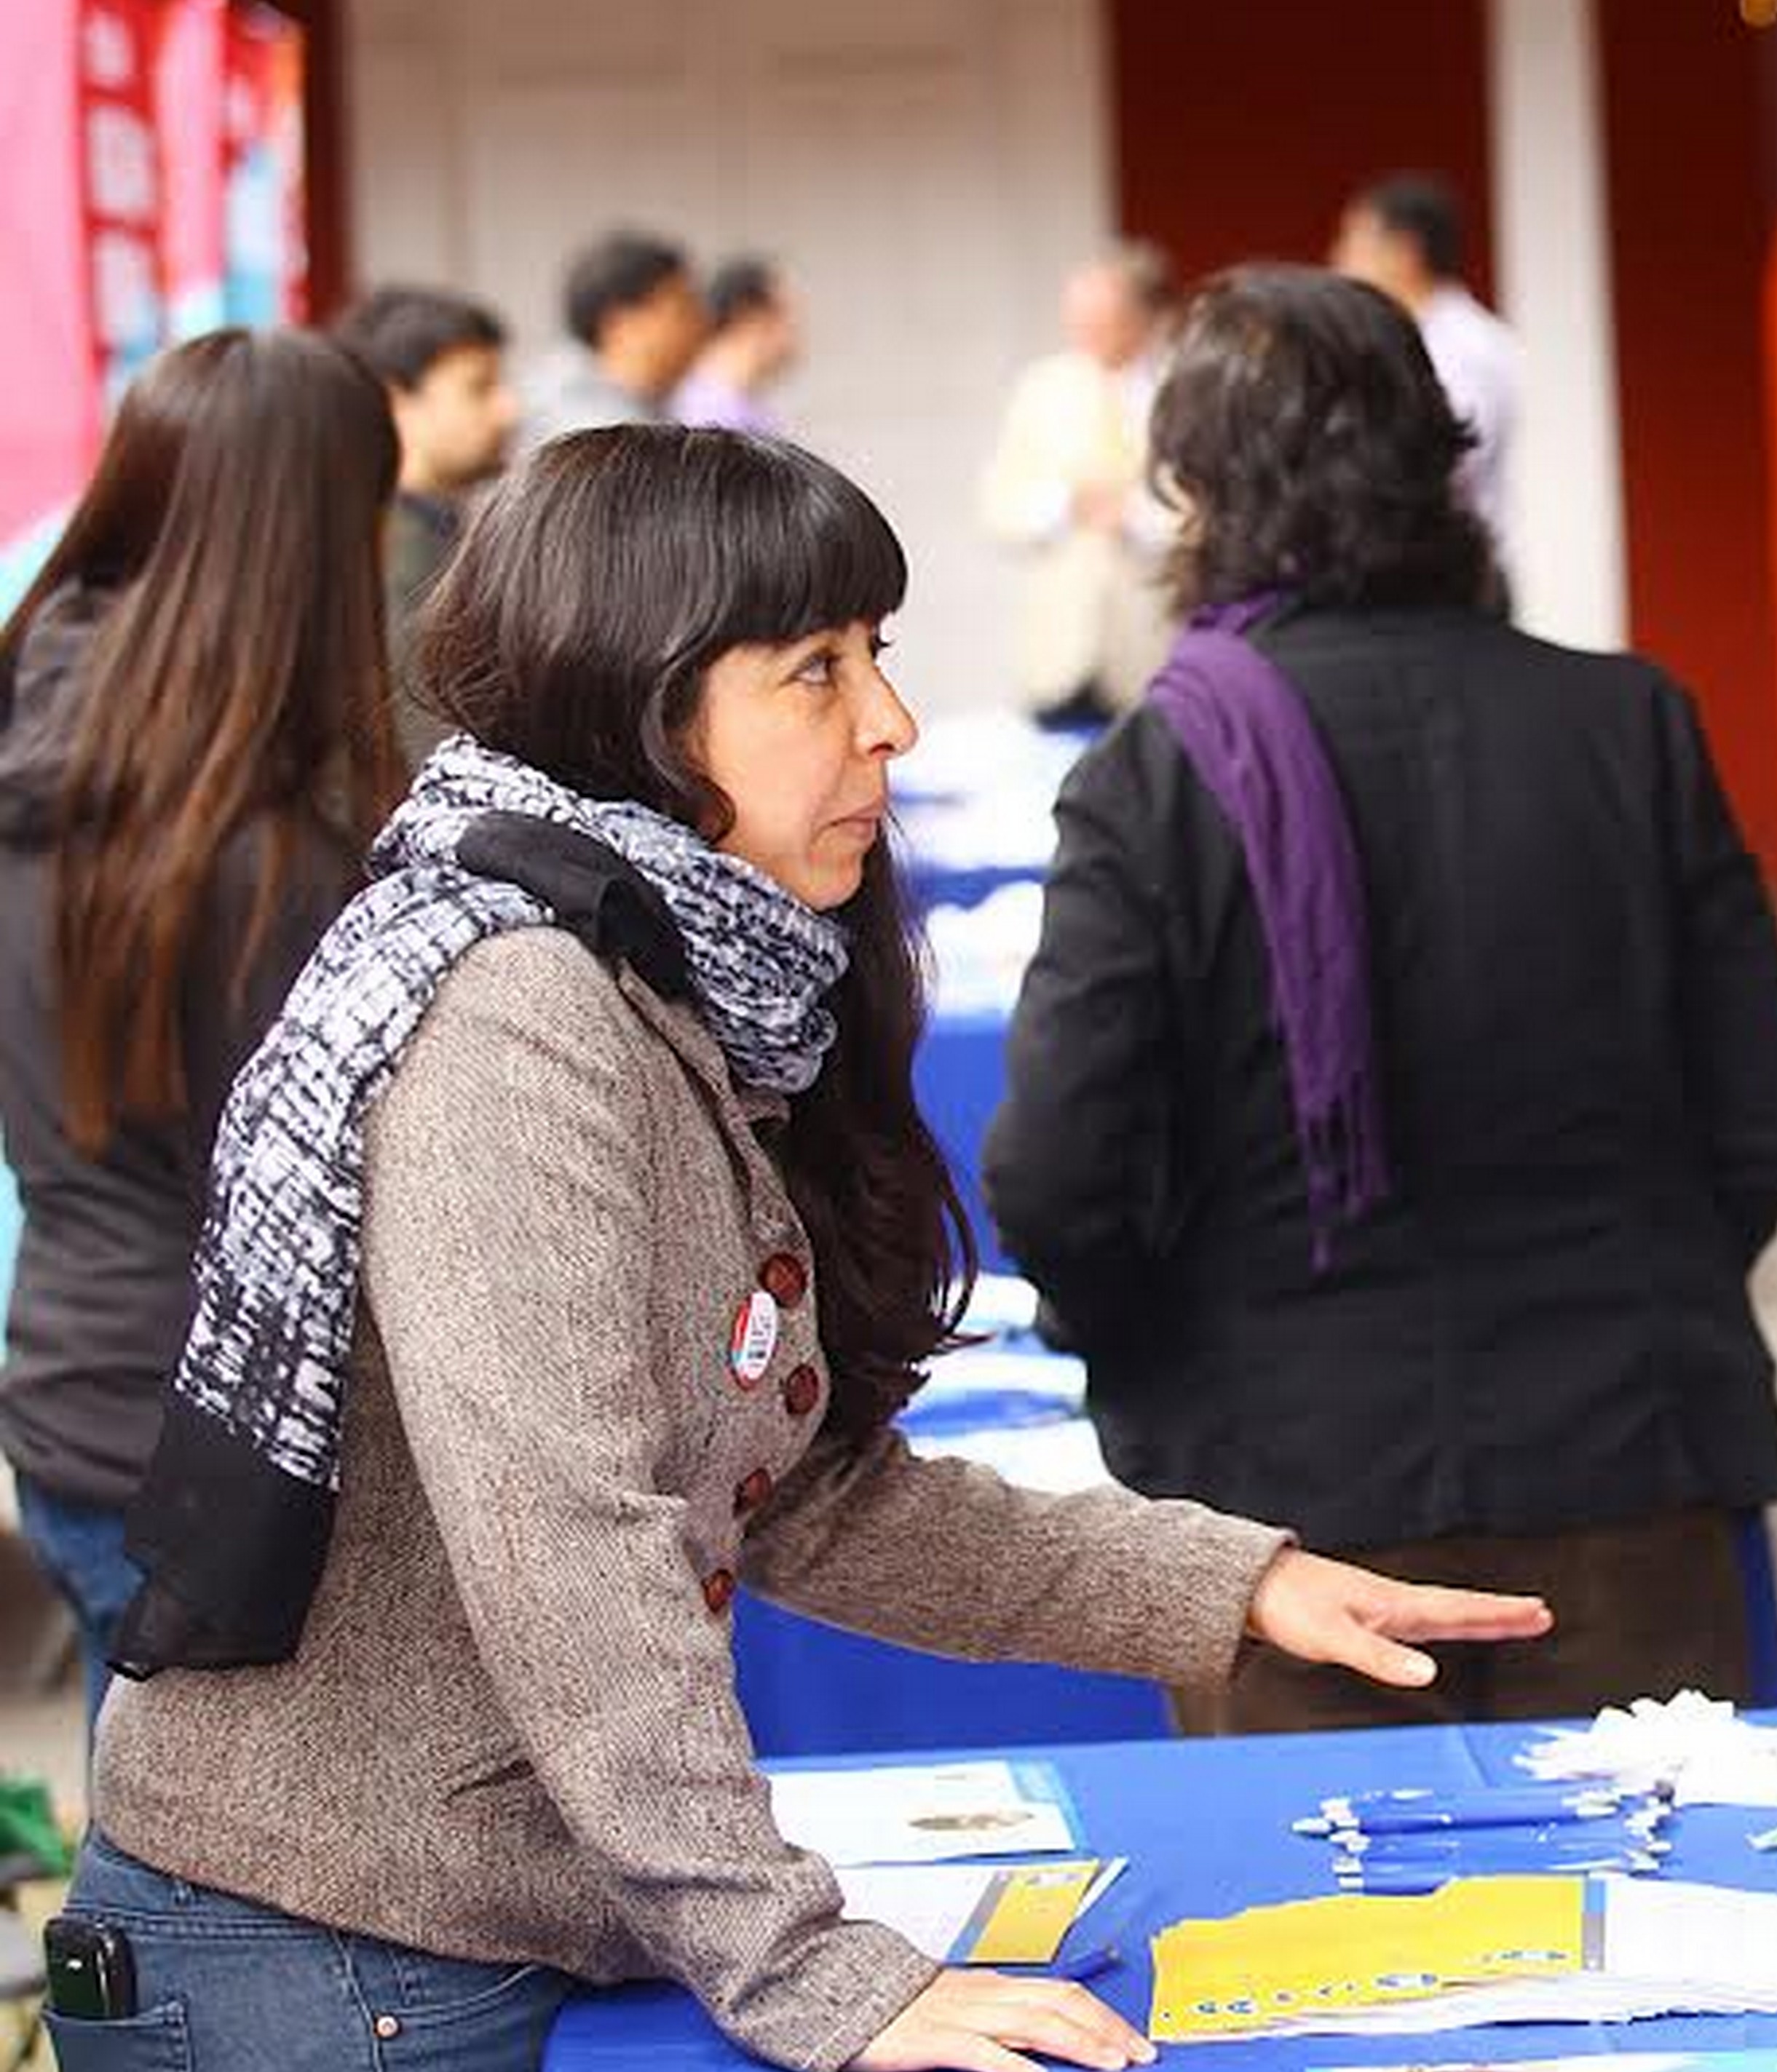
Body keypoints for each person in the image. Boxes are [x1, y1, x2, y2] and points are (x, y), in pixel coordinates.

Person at [58, 426, 1554, 2072]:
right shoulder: (516, 1007)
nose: (889, 724)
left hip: (450, 1928)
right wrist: (812, 1969)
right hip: (322, 1958)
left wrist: (1232, 1580)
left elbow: (813, 1493)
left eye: (878, 657)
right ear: (641, 701)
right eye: (815, 673)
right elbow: (574, 1548)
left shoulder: (662, 971)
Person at [984, 266, 1777, 1733]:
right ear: (1440, 466)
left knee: (1328, 1951)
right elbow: (1767, 1107)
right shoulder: (1624, 722)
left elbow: (1060, 1168)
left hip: (1285, 1514)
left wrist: (1166, 1353)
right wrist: (1638, 1284)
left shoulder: (1156, 772)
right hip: (1625, 1453)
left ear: (1194, 490)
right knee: (1671, 1937)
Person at [0, 330, 401, 1728]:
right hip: (222, 1446)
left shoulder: (40, 750)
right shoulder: (255, 852)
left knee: (146, 1872)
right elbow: (310, 1209)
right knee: (201, 1911)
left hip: (69, 1388)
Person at [978, 244, 1176, 726]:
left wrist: (1133, 516)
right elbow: (999, 507)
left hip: (1151, 651)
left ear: (1144, 317)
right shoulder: (1043, 388)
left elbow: (1209, 518)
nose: (1085, 332)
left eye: (1103, 318)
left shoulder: (1182, 391)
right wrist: (1067, 505)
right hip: (1060, 653)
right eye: (1079, 318)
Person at [334, 285, 520, 754]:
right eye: (479, 388)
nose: (507, 410)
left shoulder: (426, 528)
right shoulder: (395, 553)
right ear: (396, 401)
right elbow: (424, 739)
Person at [1329, 172, 1518, 552]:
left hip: (1461, 571)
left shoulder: (1466, 349)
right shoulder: (1408, 338)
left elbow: (1445, 464)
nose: (1338, 260)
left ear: (1404, 251)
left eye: (1353, 243)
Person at [520, 229, 700, 448]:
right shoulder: (598, 435)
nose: (701, 323)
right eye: (683, 310)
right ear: (620, 325)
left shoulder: (640, 410)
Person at [673, 254, 799, 436]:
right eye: (783, 314)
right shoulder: (710, 413)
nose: (793, 330)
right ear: (746, 314)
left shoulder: (745, 407)